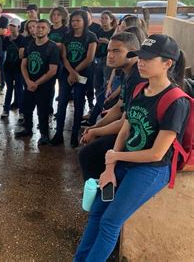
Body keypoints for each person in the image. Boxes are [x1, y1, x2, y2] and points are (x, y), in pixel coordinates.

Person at [74, 34, 189, 261]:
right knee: (97, 212)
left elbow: (157, 152)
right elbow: (126, 128)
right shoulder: (140, 89)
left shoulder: (176, 101)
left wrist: (116, 155)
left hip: (151, 169)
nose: (141, 62)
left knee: (110, 221)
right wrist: (110, 166)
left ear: (168, 63)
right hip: (124, 160)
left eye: (148, 58)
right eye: (139, 57)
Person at [78, 32, 143, 181]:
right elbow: (119, 106)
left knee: (87, 154)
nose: (110, 55)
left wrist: (96, 132)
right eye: (109, 51)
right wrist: (95, 126)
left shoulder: (138, 77)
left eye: (117, 51)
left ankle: (98, 193)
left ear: (133, 52)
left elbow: (125, 122)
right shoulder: (127, 73)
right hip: (127, 127)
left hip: (137, 135)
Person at [51, 10, 97, 147]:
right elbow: (64, 57)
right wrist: (71, 72)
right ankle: (58, 133)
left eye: (78, 20)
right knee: (62, 102)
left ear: (84, 21)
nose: (75, 23)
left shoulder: (91, 36)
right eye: (73, 21)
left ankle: (74, 135)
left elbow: (89, 58)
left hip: (83, 75)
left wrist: (75, 73)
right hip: (67, 73)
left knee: (79, 103)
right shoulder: (67, 36)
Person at [15, 20, 60, 143]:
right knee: (27, 109)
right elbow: (23, 64)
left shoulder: (53, 47)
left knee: (43, 112)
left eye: (43, 27)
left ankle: (44, 134)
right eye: (38, 27)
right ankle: (27, 129)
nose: (39, 29)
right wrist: (28, 81)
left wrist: (36, 83)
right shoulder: (30, 44)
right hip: (29, 85)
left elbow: (52, 70)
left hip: (45, 86)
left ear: (48, 30)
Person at [1, 18, 25, 122]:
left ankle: (22, 111)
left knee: (19, 89)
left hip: (19, 69)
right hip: (8, 68)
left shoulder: (22, 39)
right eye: (10, 25)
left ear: (18, 27)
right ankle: (6, 109)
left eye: (14, 26)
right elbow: (2, 50)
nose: (11, 27)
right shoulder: (6, 39)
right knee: (9, 88)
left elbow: (22, 54)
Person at [93, 11, 116, 97]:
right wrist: (97, 44)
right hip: (98, 59)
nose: (103, 20)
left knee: (107, 81)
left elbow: (116, 46)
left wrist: (108, 42)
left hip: (108, 59)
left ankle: (106, 102)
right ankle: (98, 104)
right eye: (102, 18)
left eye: (106, 18)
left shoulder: (114, 32)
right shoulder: (98, 32)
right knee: (97, 83)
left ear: (111, 20)